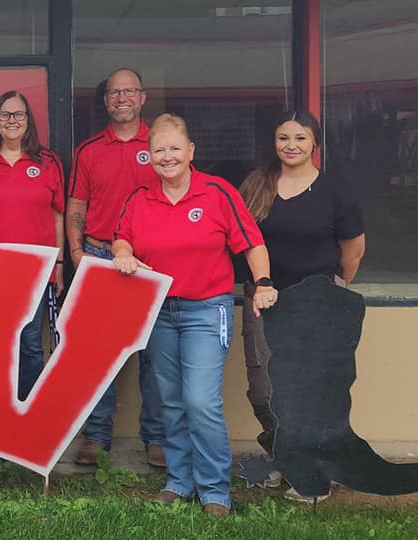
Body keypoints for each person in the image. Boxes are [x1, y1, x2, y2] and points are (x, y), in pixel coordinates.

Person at [112, 113, 277, 516]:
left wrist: (264, 282)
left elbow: (252, 244)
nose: (166, 157)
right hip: (159, 311)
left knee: (200, 400)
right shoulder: (140, 198)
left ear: (190, 151)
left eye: (173, 148)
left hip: (207, 310)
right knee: (170, 400)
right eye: (158, 150)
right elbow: (121, 238)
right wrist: (123, 254)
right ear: (149, 156)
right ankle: (179, 482)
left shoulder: (217, 193)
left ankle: (215, 490)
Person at [238, 110, 365, 499]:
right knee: (264, 390)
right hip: (263, 298)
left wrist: (335, 290)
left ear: (315, 144)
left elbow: (353, 251)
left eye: (300, 138)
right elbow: (239, 238)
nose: (290, 145)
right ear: (273, 143)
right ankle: (283, 452)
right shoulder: (257, 185)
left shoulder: (334, 191)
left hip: (316, 301)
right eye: (283, 138)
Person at [66, 68, 165, 467]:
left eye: (129, 91)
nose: (121, 98)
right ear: (105, 101)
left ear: (142, 97)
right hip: (99, 257)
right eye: (113, 92)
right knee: (98, 355)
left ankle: (156, 438)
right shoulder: (89, 150)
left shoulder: (161, 144)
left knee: (155, 356)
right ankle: (97, 436)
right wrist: (75, 252)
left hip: (151, 262)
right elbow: (77, 206)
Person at [0, 90, 64, 408]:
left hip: (34, 271)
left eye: (19, 114)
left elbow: (58, 215)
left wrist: (58, 264)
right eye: (5, 114)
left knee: (30, 345)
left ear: (28, 121)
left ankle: (27, 424)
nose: (12, 121)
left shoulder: (47, 162)